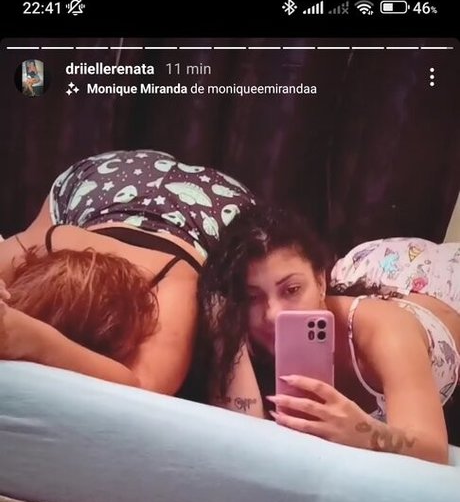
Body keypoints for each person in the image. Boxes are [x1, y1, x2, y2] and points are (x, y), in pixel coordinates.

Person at [0, 149, 263, 411]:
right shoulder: (50, 240)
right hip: (101, 183)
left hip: (218, 202)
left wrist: (33, 340)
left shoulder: (178, 282)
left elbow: (140, 388)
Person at [197, 205, 460, 465]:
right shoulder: (245, 330)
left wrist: (366, 434)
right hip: (363, 278)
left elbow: (434, 451)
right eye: (252, 297)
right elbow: (246, 436)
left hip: (436, 281)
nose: (273, 314)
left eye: (291, 290)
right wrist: (226, 332)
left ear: (321, 282)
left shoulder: (387, 331)